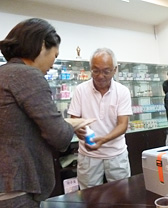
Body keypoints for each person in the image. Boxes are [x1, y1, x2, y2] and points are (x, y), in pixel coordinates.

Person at [0, 18, 75, 207]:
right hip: (18, 188)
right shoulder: (28, 75)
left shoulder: (4, 73)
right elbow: (60, 136)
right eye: (55, 55)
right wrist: (72, 124)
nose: (52, 63)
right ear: (42, 45)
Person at [68, 48, 132, 189]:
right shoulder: (81, 90)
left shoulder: (122, 91)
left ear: (115, 70)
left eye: (106, 71)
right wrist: (80, 131)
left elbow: (123, 125)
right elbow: (75, 120)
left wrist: (103, 140)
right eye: (95, 71)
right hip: (88, 155)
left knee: (121, 194)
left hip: (116, 154)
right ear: (90, 69)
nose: (100, 76)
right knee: (89, 197)